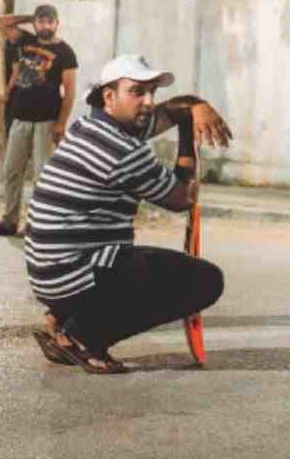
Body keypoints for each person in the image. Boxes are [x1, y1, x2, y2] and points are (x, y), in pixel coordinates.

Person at [25, 54, 232, 373]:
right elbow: (182, 198)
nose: (149, 102)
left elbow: (170, 111)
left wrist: (195, 105)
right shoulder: (120, 150)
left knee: (135, 262)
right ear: (109, 96)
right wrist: (188, 135)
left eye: (152, 92)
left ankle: (64, 319)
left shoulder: (90, 125)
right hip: (72, 273)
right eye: (137, 92)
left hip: (52, 274)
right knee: (204, 281)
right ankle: (82, 336)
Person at [0, 4, 77, 236]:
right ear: (35, 23)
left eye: (49, 21)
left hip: (46, 120)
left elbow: (70, 91)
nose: (45, 26)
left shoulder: (65, 52)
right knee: (12, 170)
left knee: (42, 176)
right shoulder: (25, 40)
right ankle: (9, 221)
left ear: (56, 23)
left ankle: (36, 224)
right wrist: (28, 17)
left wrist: (61, 123)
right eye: (41, 21)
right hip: (20, 118)